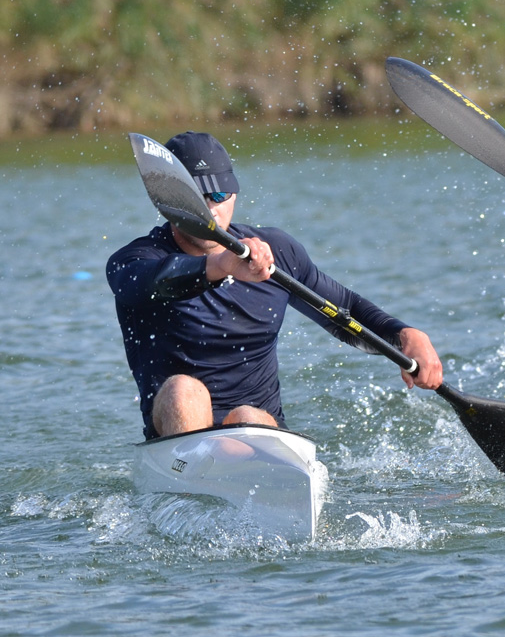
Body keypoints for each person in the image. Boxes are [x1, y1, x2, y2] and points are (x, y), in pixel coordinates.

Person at [107, 131, 443, 440]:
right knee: (183, 390)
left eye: (219, 195)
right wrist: (221, 266)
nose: (210, 209)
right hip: (178, 438)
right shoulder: (136, 261)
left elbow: (346, 312)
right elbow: (149, 283)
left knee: (246, 416)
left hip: (257, 431)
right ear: (166, 200)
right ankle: (196, 475)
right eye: (196, 198)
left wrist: (405, 336)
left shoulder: (276, 251)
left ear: (234, 195)